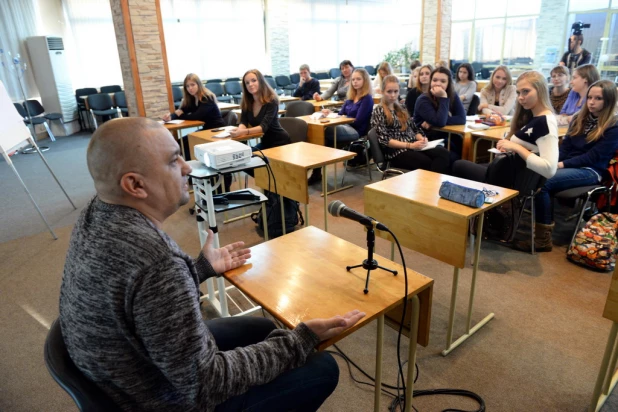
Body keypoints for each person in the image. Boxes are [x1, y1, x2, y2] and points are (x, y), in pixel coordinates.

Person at [59, 117, 366, 411]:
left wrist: (199, 270)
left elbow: (139, 301)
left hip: (128, 373)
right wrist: (302, 339)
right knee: (322, 366)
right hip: (162, 399)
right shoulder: (156, 262)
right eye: (172, 161)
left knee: (262, 328)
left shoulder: (95, 214)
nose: (186, 168)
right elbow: (207, 383)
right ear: (135, 185)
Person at [514, 80, 618, 252]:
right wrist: (553, 161)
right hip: (567, 165)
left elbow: (593, 157)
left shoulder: (613, 125)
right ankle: (513, 223)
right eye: (589, 97)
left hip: (592, 171)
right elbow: (565, 147)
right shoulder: (579, 117)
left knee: (544, 182)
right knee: (533, 172)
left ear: (608, 101)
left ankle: (542, 239)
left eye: (598, 98)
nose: (591, 102)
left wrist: (559, 165)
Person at [453, 70, 559, 187]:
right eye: (518, 93)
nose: (520, 97)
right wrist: (509, 147)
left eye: (526, 92)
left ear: (540, 90)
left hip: (512, 180)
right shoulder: (534, 117)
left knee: (458, 165)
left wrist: (516, 147)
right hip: (508, 172)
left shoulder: (545, 121)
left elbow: (549, 169)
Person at [371, 75, 450, 173]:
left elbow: (414, 128)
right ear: (382, 91)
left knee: (444, 154)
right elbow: (385, 141)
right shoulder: (379, 110)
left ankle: (434, 184)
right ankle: (430, 185)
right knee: (427, 162)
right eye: (389, 92)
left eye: (395, 91)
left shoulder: (401, 108)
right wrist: (410, 146)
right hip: (396, 151)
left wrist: (421, 139)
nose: (393, 95)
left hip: (413, 144)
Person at [308, 68, 373, 184]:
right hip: (344, 127)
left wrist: (342, 118)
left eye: (358, 79)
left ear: (365, 81)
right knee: (322, 140)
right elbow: (340, 113)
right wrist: (330, 113)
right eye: (353, 79)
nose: (355, 82)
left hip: (356, 131)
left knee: (325, 132)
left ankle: (313, 167)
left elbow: (357, 121)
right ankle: (315, 171)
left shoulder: (367, 99)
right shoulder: (350, 98)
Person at [163, 73, 225, 158]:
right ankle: (187, 163)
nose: (190, 88)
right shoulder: (192, 98)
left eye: (192, 85)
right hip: (206, 129)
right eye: (187, 86)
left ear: (199, 84)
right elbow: (181, 110)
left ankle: (190, 164)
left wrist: (181, 115)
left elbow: (196, 116)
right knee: (179, 142)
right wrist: (170, 117)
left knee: (187, 144)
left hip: (215, 129)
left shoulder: (207, 97)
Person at [230, 69, 290, 150]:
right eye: (247, 83)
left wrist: (243, 132)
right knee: (246, 155)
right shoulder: (247, 102)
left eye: (254, 80)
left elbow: (263, 127)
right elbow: (244, 121)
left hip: (280, 143)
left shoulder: (271, 100)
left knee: (251, 157)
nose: (250, 84)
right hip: (266, 143)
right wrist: (239, 130)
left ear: (261, 82)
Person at [413, 66, 466, 159]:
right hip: (424, 139)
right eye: (435, 80)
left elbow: (462, 119)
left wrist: (434, 121)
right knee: (451, 155)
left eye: (443, 81)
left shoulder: (453, 95)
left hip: (444, 136)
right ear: (430, 82)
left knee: (462, 144)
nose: (438, 84)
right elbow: (440, 122)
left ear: (448, 83)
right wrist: (443, 98)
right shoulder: (423, 99)